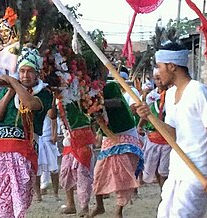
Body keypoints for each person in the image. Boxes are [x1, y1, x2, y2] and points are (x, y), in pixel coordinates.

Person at [136, 42, 207, 217]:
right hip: (177, 168)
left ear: (172, 66)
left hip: (198, 171)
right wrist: (149, 115)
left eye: (159, 67)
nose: (157, 72)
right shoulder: (171, 94)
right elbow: (172, 134)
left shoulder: (198, 91)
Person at [0, 45, 53, 218]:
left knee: (21, 196)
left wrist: (14, 82)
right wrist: (9, 92)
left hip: (24, 150)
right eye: (22, 71)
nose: (25, 75)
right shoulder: (8, 90)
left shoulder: (45, 93)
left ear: (37, 73)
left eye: (30, 71)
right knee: (2, 196)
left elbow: (31, 104)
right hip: (1, 149)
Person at [89, 81, 143, 218]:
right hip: (109, 137)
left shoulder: (110, 87)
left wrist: (95, 103)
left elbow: (117, 102)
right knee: (98, 172)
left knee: (122, 175)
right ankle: (99, 206)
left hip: (126, 134)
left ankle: (118, 211)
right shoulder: (89, 92)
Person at [59, 100, 96, 217]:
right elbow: (52, 115)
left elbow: (93, 116)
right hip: (69, 139)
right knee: (66, 172)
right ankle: (71, 204)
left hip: (83, 138)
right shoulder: (59, 98)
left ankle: (84, 207)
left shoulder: (84, 95)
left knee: (82, 174)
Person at [137, 68, 170, 190]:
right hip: (153, 137)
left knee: (164, 170)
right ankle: (162, 189)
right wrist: (140, 125)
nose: (159, 81)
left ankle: (164, 191)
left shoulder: (173, 95)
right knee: (153, 166)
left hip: (168, 138)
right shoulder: (151, 96)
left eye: (161, 78)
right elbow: (147, 114)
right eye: (156, 79)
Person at [35, 111, 59, 202]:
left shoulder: (48, 105)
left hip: (48, 139)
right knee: (37, 169)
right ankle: (38, 195)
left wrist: (54, 134)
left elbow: (53, 118)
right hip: (38, 138)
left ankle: (55, 194)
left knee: (54, 169)